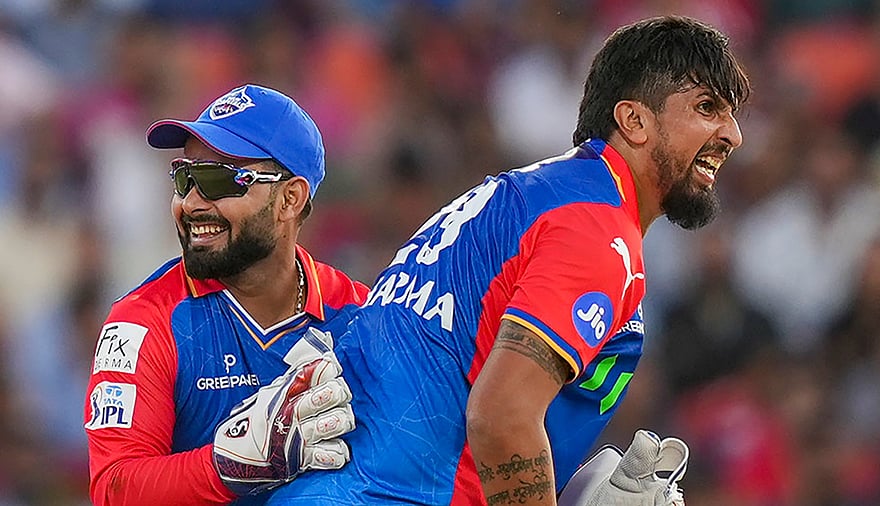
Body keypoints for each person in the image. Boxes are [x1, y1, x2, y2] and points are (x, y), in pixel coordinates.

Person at [259, 15, 750, 505]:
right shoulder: (596, 229)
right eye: (707, 108)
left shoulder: (522, 197)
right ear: (634, 121)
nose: (733, 135)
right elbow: (502, 415)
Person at [83, 84, 369, 505]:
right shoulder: (143, 320)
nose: (190, 203)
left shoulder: (359, 315)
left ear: (290, 198)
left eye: (218, 180)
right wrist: (231, 464)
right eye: (185, 177)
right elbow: (114, 488)